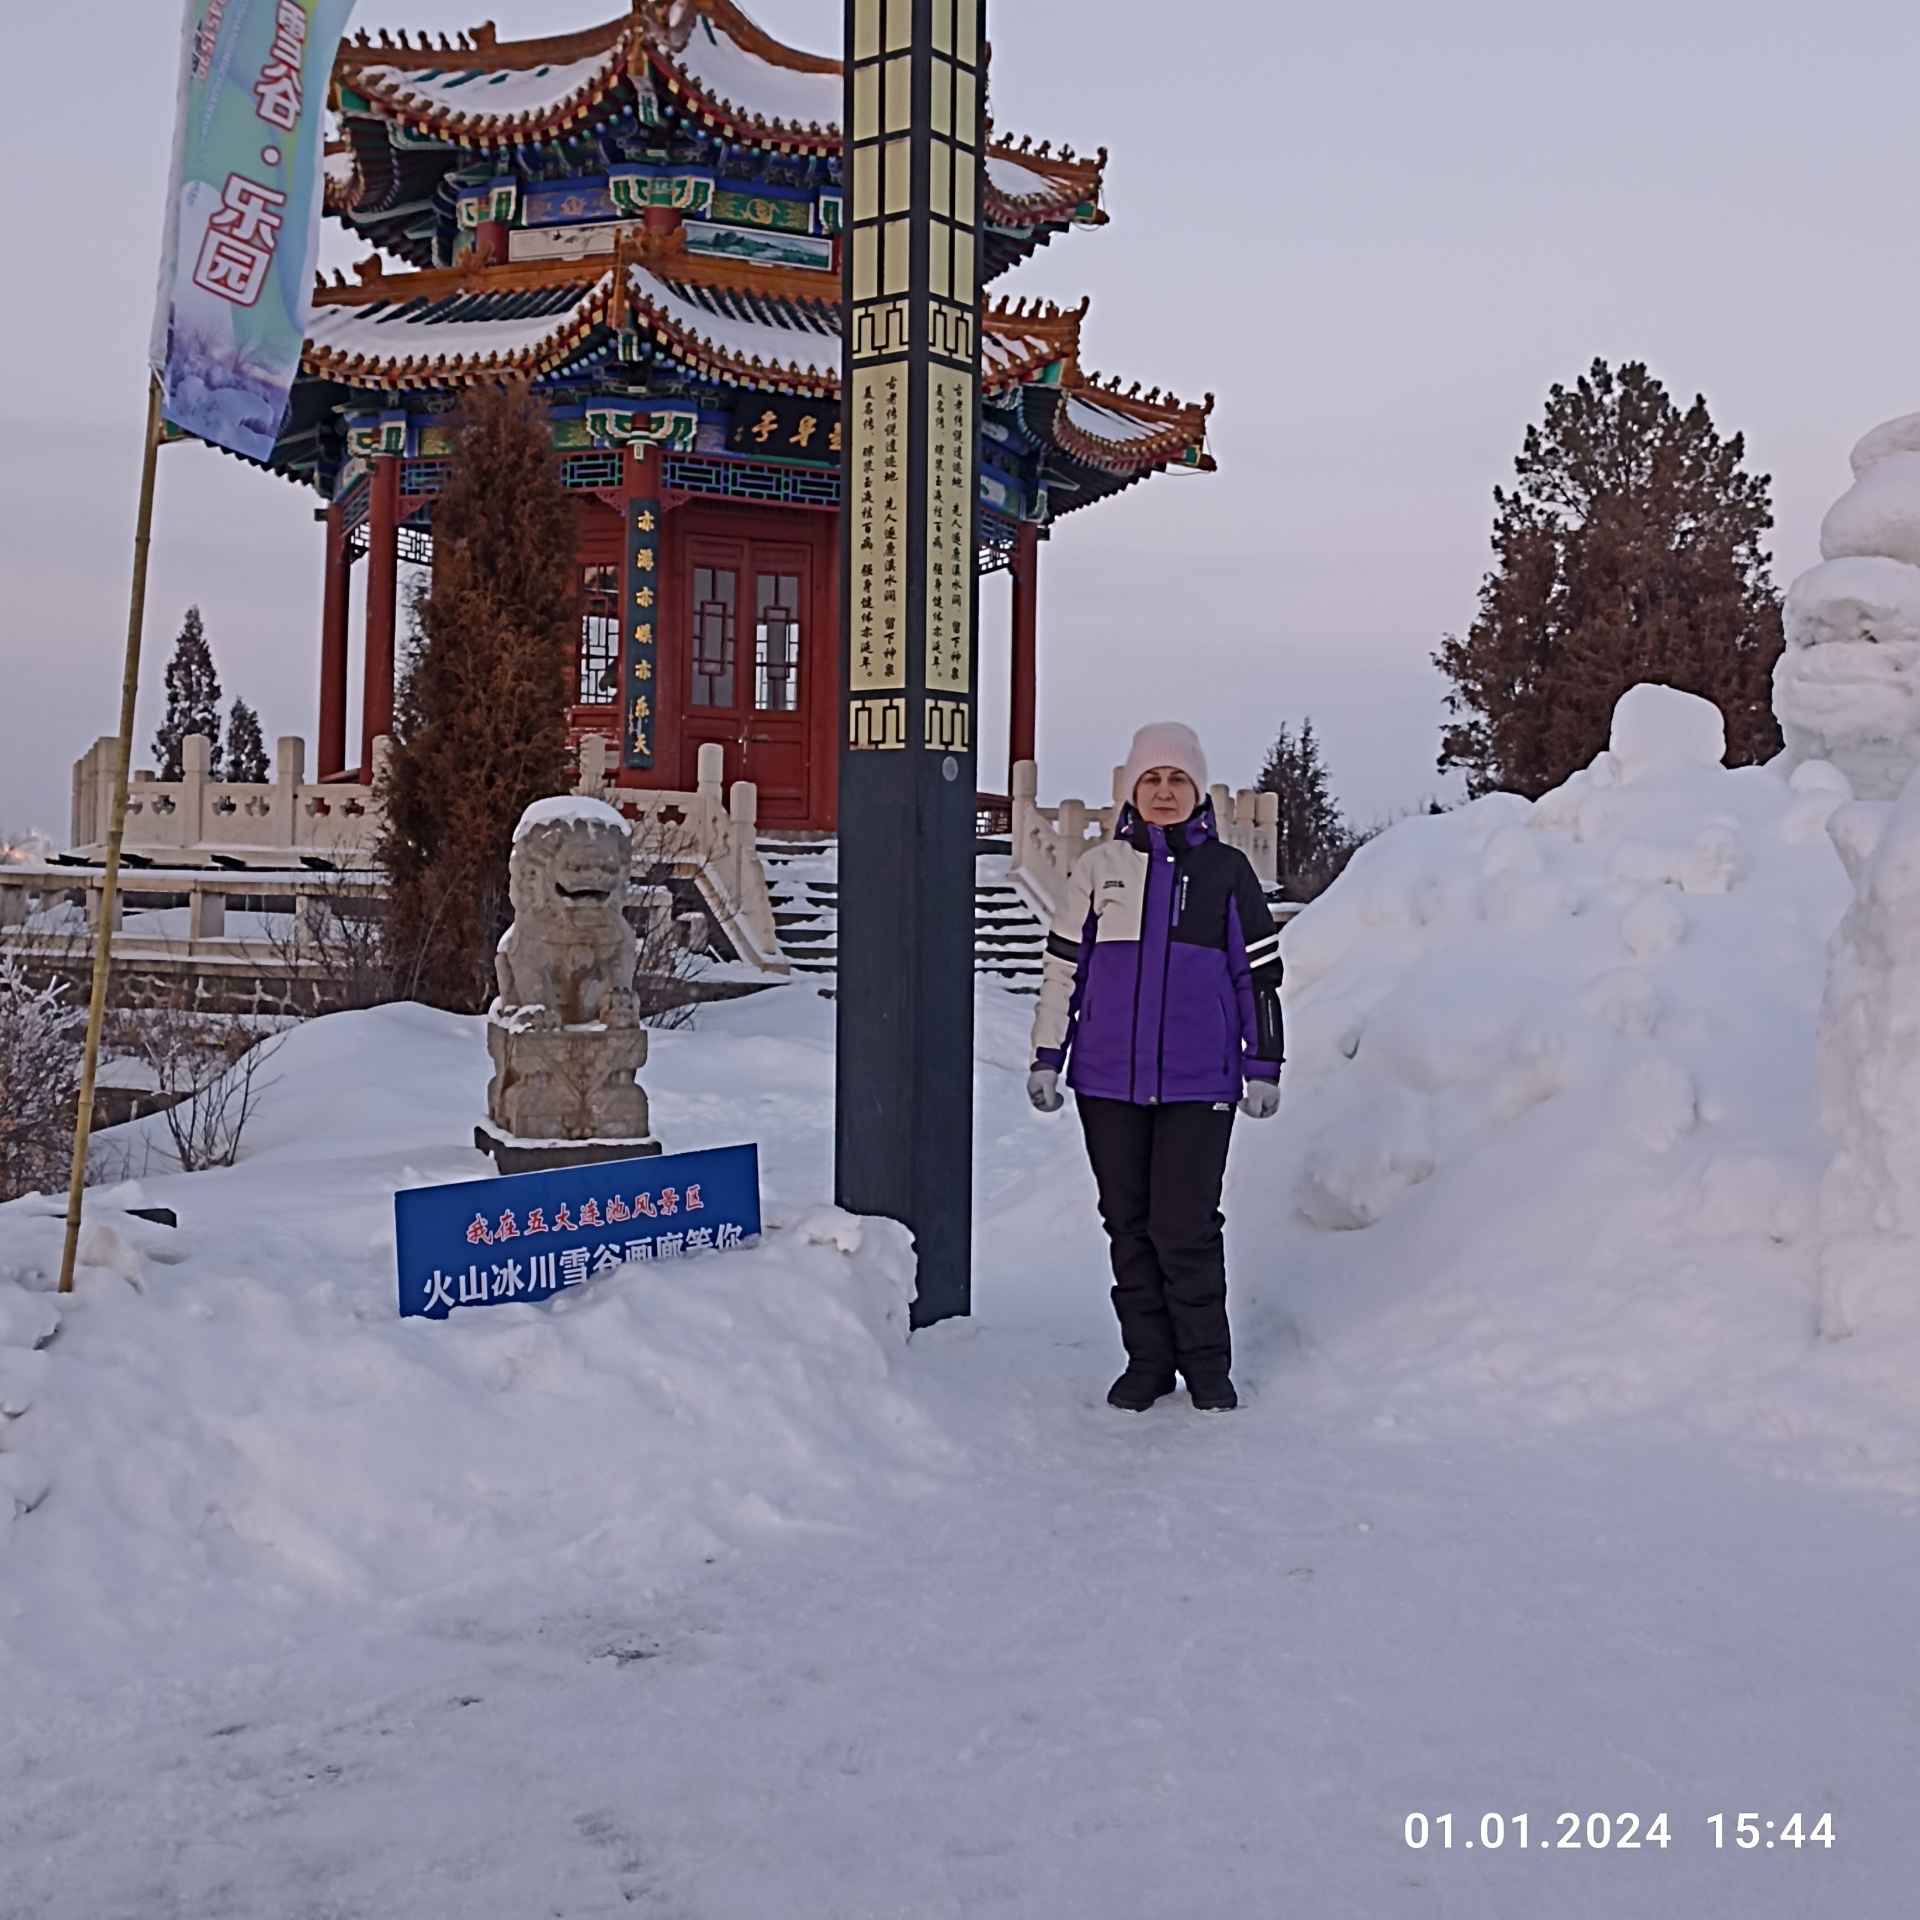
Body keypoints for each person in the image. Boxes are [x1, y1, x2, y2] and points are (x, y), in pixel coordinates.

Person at [1027, 723, 1284, 1412]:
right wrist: (1047, 1057)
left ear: (1198, 791)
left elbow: (1257, 978)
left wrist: (1263, 1064)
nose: (1164, 792)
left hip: (1199, 1083)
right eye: (1151, 780)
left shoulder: (1227, 874)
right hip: (1107, 1080)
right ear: (1131, 790)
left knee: (1186, 1226)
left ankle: (1206, 1364)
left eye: (1177, 780)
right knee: (1128, 1222)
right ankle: (1147, 1361)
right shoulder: (1097, 868)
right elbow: (1062, 972)